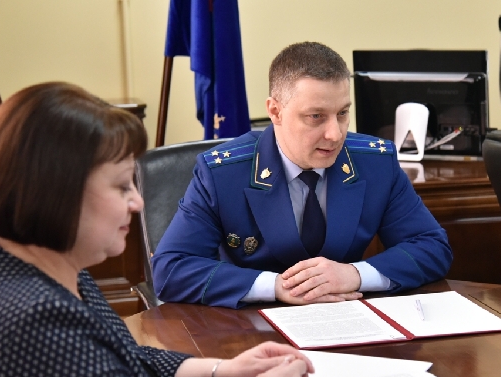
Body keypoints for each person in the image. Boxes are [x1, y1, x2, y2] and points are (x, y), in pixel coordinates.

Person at [0, 82, 313, 377]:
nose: (138, 203)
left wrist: (221, 373)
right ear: (57, 192)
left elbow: (125, 360)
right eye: (122, 186)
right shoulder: (35, 323)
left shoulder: (47, 264)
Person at [152, 41, 453, 309]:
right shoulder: (223, 173)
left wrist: (354, 274)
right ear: (275, 112)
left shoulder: (375, 163)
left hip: (346, 319)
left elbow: (432, 247)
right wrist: (275, 286)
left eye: (342, 113)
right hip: (250, 330)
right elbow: (170, 269)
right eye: (316, 116)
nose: (335, 134)